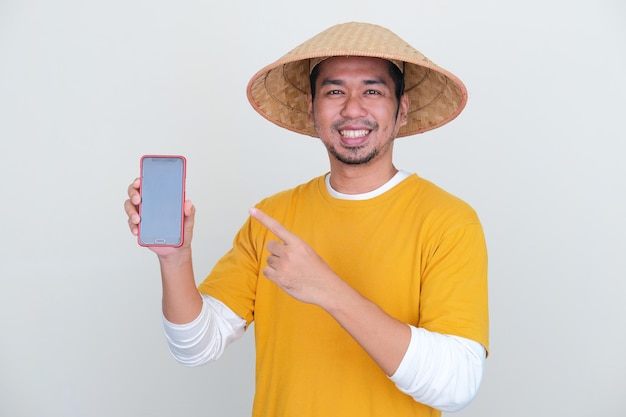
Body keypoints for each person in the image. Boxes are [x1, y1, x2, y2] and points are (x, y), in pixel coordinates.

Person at [125, 22, 489, 417]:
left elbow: (457, 383)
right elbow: (196, 348)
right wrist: (174, 258)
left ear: (401, 110)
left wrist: (327, 289)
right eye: (334, 91)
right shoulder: (273, 217)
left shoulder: (448, 220)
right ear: (312, 109)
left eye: (373, 90)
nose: (352, 108)